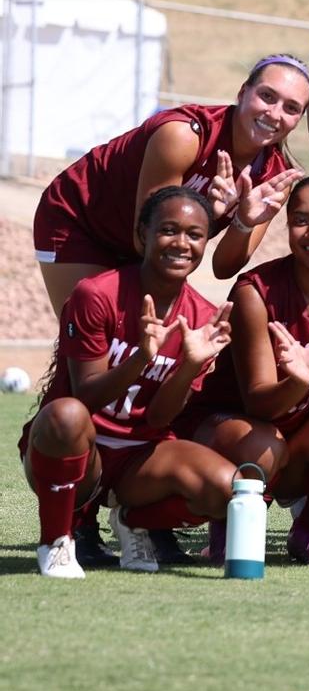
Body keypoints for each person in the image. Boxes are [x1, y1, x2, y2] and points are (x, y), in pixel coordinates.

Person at [20, 187, 235, 577]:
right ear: (143, 236)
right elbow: (85, 396)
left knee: (226, 490)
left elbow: (157, 418)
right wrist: (141, 358)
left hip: (140, 456)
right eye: (169, 230)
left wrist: (189, 366)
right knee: (65, 415)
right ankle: (57, 541)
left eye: (194, 234)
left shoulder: (203, 316)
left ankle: (134, 520)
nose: (181, 243)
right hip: (76, 447)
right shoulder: (97, 294)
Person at [179, 175, 309, 568]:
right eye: (300, 220)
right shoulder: (254, 292)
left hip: (298, 441)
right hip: (235, 435)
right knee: (266, 442)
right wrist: (297, 381)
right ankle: (229, 526)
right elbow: (259, 403)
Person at [34, 56, 308, 312]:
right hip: (80, 221)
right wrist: (207, 213)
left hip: (145, 248)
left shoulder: (275, 179)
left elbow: (223, 268)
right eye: (267, 96)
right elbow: (145, 241)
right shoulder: (183, 136)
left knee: (147, 345)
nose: (274, 113)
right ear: (242, 92)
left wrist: (243, 222)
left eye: (291, 108)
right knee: (95, 334)